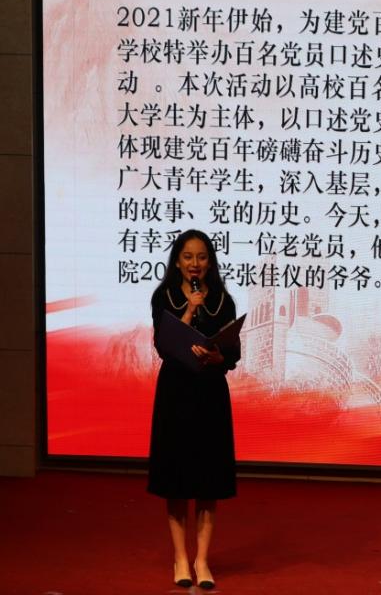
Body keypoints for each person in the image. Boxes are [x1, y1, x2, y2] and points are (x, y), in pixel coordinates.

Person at [148, 229, 240, 590]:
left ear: (210, 262)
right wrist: (189, 310)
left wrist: (218, 357)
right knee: (177, 479)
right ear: (177, 261)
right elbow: (164, 345)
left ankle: (202, 559)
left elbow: (232, 353)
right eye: (188, 257)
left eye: (201, 257)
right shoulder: (165, 296)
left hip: (210, 392)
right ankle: (181, 558)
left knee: (207, 480)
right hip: (176, 393)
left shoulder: (223, 301)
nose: (195, 264)